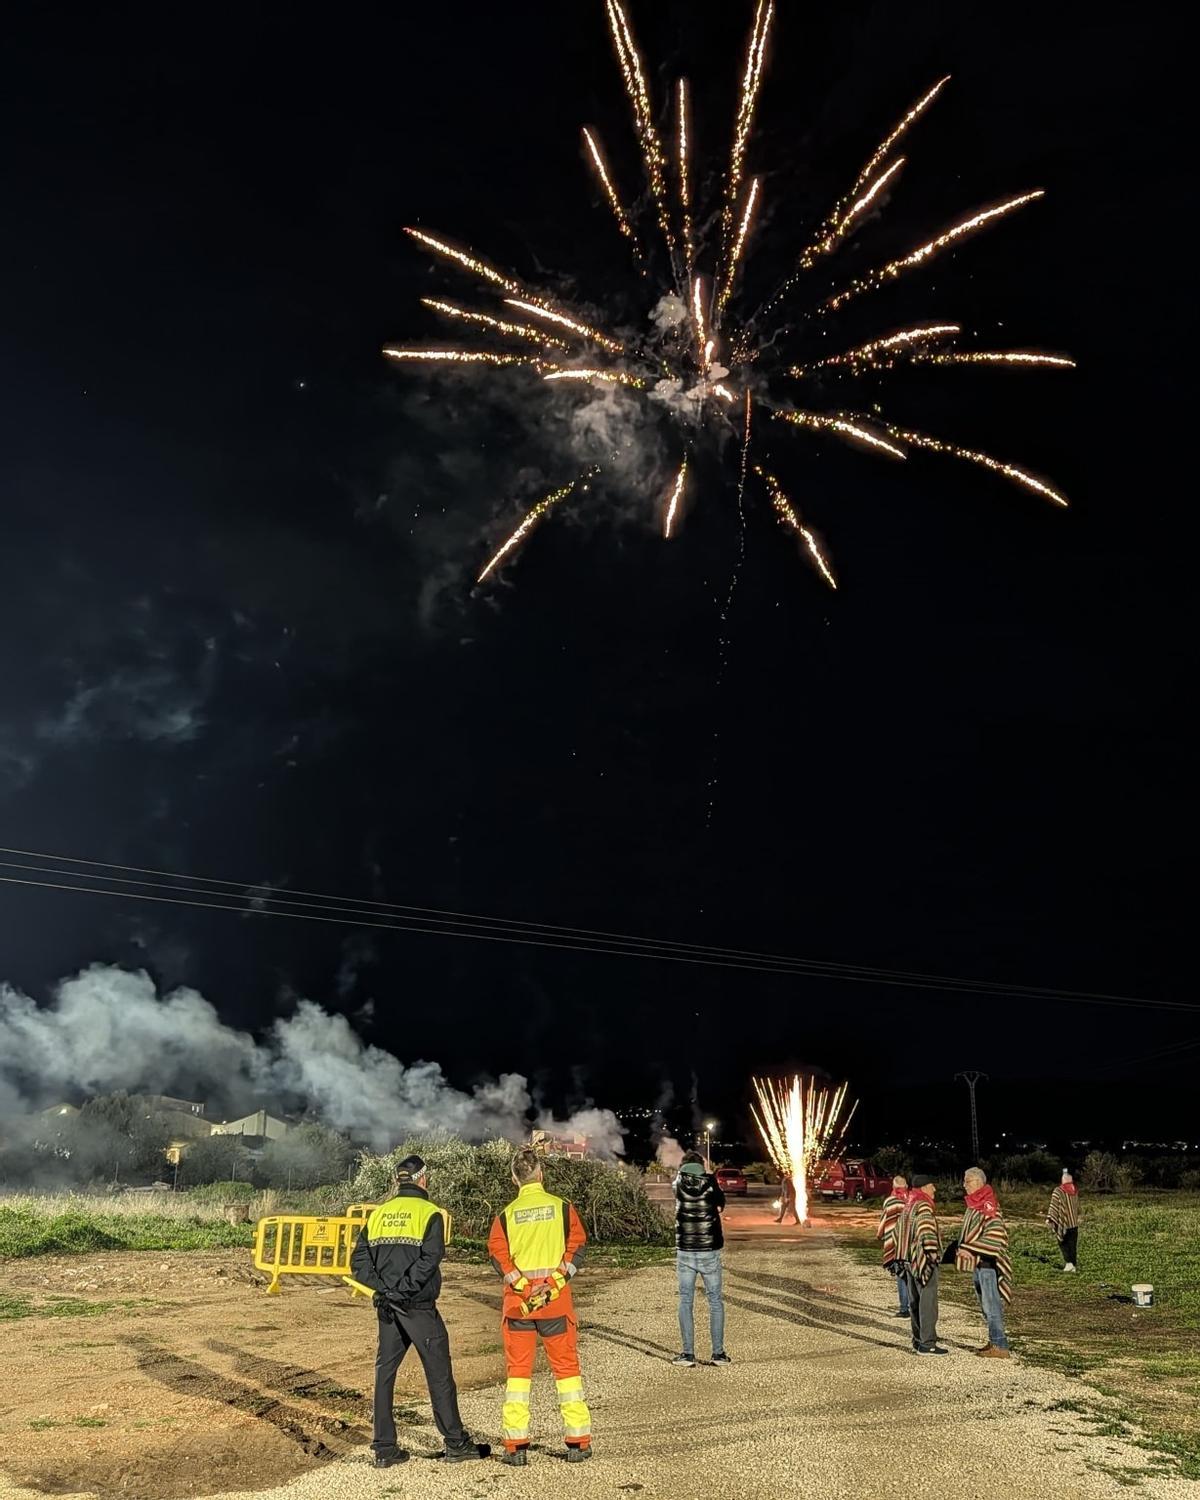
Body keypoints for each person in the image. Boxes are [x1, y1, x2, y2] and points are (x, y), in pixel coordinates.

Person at [349, 1154, 489, 1468]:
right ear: (423, 1179)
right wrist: (403, 1290)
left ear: (397, 1180)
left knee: (385, 1374)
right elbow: (430, 1259)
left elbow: (358, 1262)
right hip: (418, 1307)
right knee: (439, 1374)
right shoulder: (430, 1214)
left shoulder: (379, 1214)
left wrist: (384, 1291)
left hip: (387, 1307)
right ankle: (456, 1443)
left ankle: (385, 1449)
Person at [486, 1147, 592, 1466]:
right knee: (567, 1371)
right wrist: (554, 1283)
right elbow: (577, 1247)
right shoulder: (562, 1208)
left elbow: (498, 1257)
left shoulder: (505, 1216)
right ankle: (577, 1443)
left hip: (518, 1308)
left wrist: (523, 1287)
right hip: (555, 1305)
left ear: (514, 1178)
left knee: (518, 1375)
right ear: (541, 1174)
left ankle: (515, 1446)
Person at [672, 1148, 730, 1367]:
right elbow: (721, 1203)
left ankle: (687, 1354)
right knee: (715, 1301)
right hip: (709, 1250)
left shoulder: (677, 1183)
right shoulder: (710, 1183)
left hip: (685, 1250)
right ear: (701, 1166)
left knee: (686, 1300)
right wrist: (711, 1178)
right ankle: (718, 1354)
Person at [954, 1167, 1013, 1358]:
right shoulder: (974, 1203)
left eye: (967, 1181)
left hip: (988, 1264)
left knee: (991, 1305)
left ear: (979, 1182)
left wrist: (971, 1248)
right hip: (979, 1264)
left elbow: (996, 1235)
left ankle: (1000, 1345)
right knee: (985, 1305)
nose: (964, 1185)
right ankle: (994, 1340)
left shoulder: (988, 1204)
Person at [898, 1173, 946, 1355]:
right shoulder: (924, 1205)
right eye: (932, 1186)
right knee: (928, 1302)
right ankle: (928, 1343)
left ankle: (918, 1340)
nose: (935, 1189)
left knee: (915, 1301)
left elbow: (898, 1231)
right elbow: (926, 1231)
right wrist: (933, 1253)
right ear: (925, 1188)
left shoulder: (909, 1204)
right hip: (922, 1261)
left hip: (909, 1260)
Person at [876, 1175, 910, 1317]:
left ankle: (904, 1308)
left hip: (894, 1243)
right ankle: (913, 1306)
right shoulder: (910, 1200)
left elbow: (885, 1219)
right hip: (908, 1242)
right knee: (909, 1274)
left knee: (900, 1274)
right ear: (906, 1186)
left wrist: (879, 1234)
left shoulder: (889, 1201)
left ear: (893, 1187)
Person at [1046, 1170, 1081, 1271]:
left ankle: (1069, 1264)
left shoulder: (1058, 1191)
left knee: (1063, 1242)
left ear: (1063, 1180)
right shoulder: (1075, 1191)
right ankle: (1073, 1265)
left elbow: (1053, 1206)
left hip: (1063, 1223)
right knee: (1072, 1245)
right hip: (1073, 1223)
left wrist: (1050, 1219)